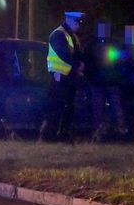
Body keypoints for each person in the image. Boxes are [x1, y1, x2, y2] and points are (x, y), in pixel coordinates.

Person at [39, 11, 84, 142]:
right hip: (58, 76)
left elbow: (76, 54)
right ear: (69, 20)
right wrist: (78, 66)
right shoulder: (58, 34)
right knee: (56, 106)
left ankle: (63, 134)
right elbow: (64, 54)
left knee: (68, 106)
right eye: (77, 22)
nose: (79, 25)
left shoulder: (72, 36)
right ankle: (48, 135)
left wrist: (82, 63)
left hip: (69, 76)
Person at [85, 22, 127, 142]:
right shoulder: (94, 45)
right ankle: (107, 131)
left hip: (107, 81)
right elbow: (87, 62)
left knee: (111, 107)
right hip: (101, 82)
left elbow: (122, 60)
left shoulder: (95, 44)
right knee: (103, 108)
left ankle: (115, 131)